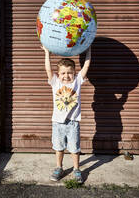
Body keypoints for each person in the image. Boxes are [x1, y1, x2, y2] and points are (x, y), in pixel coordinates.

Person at [42, 45, 91, 183]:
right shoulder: (55, 82)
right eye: (63, 73)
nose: (66, 75)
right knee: (58, 147)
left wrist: (88, 50)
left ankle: (76, 169)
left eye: (69, 72)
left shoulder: (77, 81)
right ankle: (59, 168)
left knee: (74, 148)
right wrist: (47, 53)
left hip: (73, 122)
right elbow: (48, 69)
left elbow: (86, 66)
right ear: (58, 74)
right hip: (57, 123)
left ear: (74, 73)